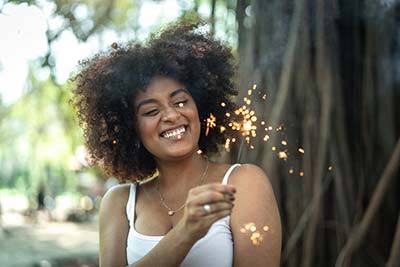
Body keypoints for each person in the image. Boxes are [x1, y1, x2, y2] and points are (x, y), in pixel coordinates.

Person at [71, 20, 281, 267]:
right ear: (130, 129)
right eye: (150, 111)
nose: (171, 115)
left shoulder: (243, 182)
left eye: (180, 102)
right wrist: (185, 232)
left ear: (200, 108)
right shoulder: (119, 203)